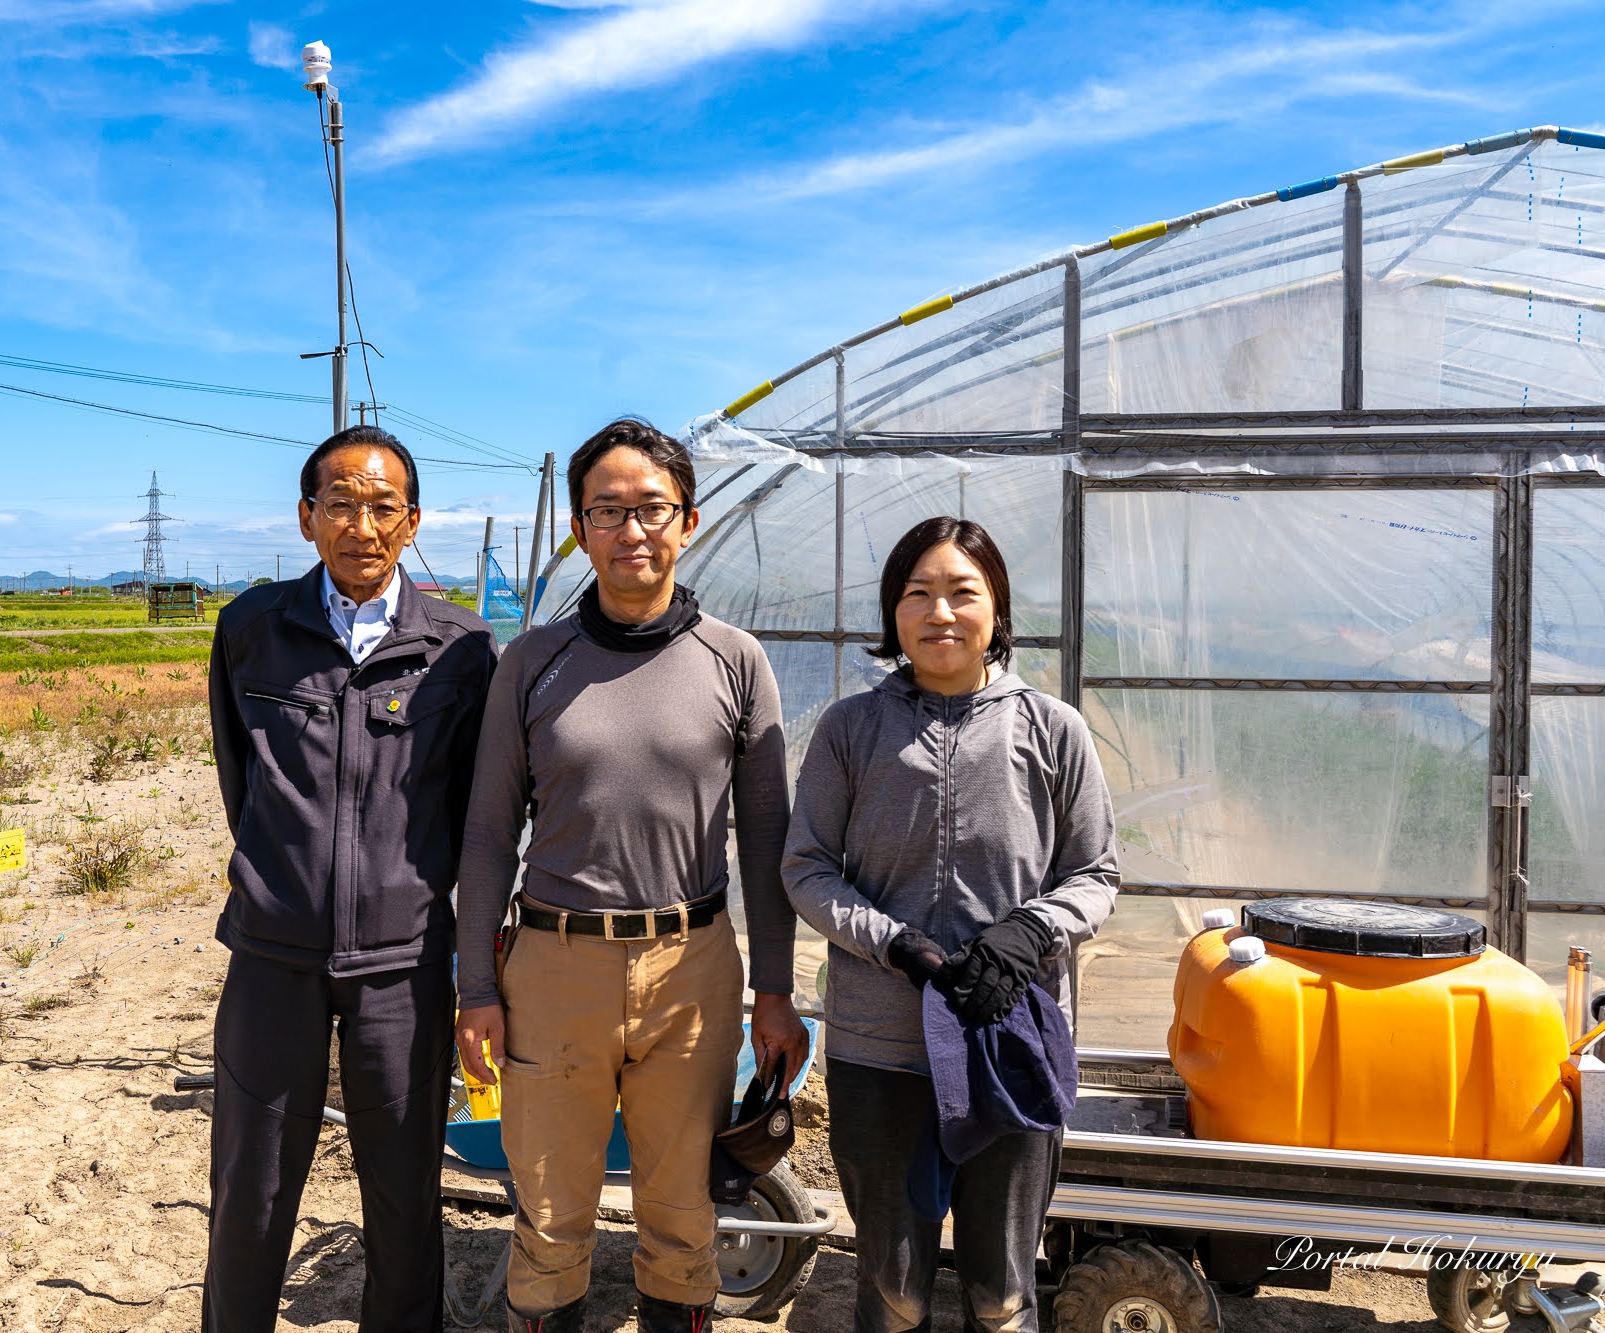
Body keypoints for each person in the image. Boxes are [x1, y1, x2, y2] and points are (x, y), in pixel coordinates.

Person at [453, 417, 809, 1333]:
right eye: (606, 511)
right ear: (580, 530)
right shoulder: (533, 662)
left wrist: (776, 990)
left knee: (682, 1211)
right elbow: (491, 833)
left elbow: (766, 836)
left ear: (688, 522)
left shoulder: (734, 660)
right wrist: (475, 987)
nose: (632, 529)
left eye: (651, 507)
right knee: (550, 1211)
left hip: (691, 965)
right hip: (554, 965)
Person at [783, 516, 1118, 1333]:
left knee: (1002, 1293)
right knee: (894, 1286)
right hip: (880, 1043)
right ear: (893, 615)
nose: (940, 611)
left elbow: (1097, 872)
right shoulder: (851, 730)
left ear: (996, 608)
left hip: (1012, 1040)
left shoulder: (1052, 729)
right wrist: (890, 939)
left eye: (962, 592)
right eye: (917, 593)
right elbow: (806, 867)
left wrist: (1031, 932)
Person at [202, 425, 499, 1333]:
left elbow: (473, 812)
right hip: (271, 957)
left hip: (404, 965)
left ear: (412, 523)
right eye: (340, 502)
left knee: (404, 1196)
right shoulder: (253, 630)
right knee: (250, 1192)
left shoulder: (460, 647)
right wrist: (278, 884)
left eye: (382, 507)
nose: (360, 526)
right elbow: (238, 778)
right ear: (306, 517)